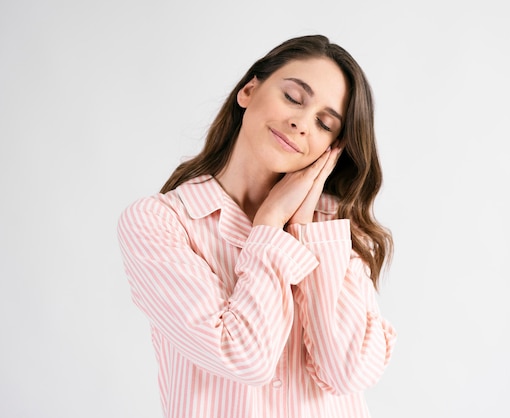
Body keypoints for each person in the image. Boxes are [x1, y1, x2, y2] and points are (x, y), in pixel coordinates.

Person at [117, 34, 396, 418]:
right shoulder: (160, 222)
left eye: (324, 123)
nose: (301, 122)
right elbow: (243, 357)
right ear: (249, 89)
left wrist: (305, 230)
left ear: (332, 148)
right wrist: (268, 226)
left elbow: (347, 373)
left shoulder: (336, 230)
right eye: (293, 98)